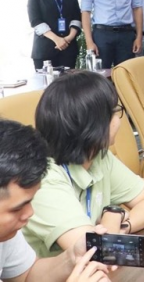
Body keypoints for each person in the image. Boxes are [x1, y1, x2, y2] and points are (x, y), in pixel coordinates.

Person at [24, 71, 144, 259]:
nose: (119, 120)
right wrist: (115, 217)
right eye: (114, 112)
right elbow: (91, 252)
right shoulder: (44, 180)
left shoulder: (97, 156)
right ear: (94, 124)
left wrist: (121, 226)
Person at [0, 119, 114, 281]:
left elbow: (27, 276)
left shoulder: (5, 234)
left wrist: (71, 258)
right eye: (17, 209)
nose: (30, 213)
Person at [28, 0, 82, 70]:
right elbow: (35, 20)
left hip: (68, 47)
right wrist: (57, 39)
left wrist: (69, 38)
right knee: (46, 81)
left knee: (68, 81)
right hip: (44, 49)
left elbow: (76, 17)